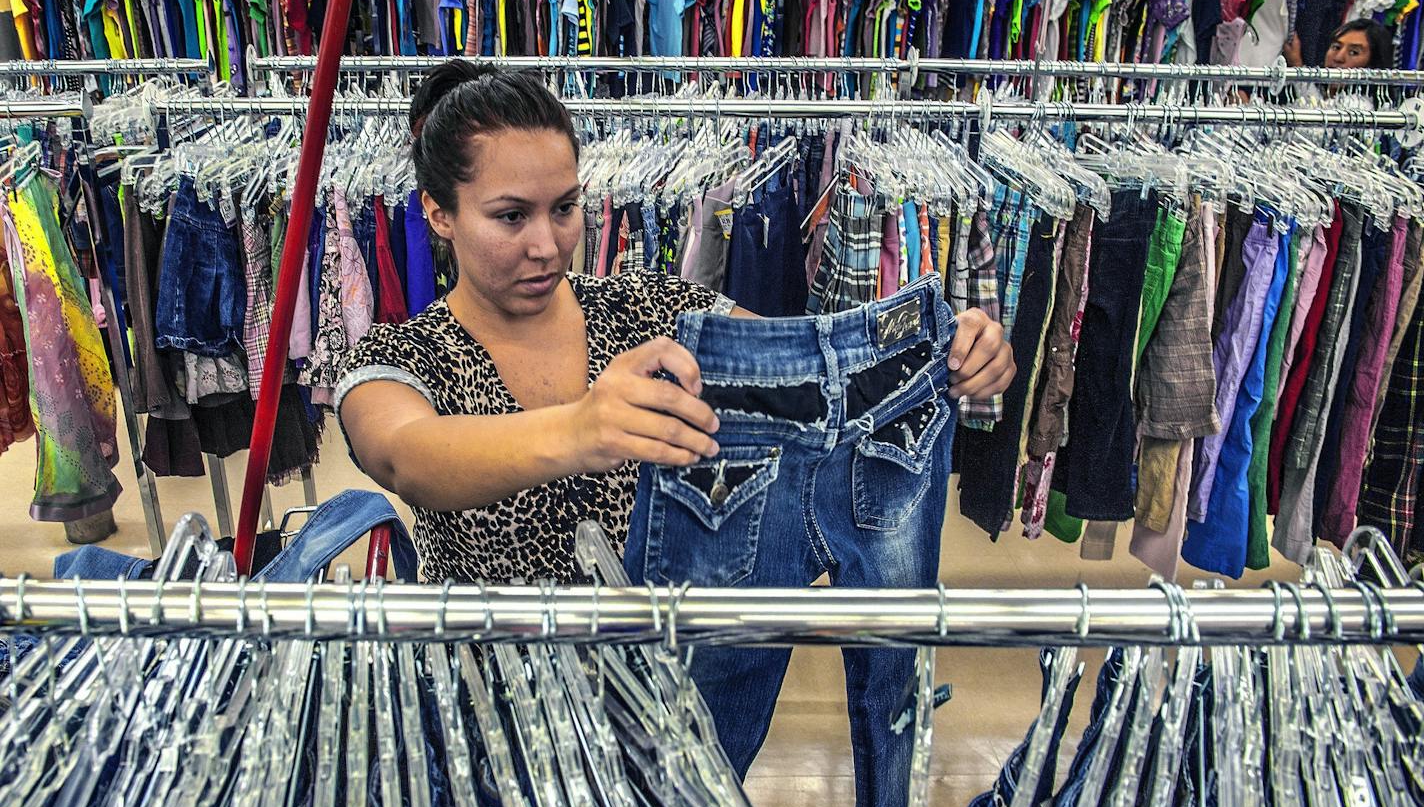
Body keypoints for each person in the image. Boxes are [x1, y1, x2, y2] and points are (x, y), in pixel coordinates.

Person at [337, 60, 1015, 584]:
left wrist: (939, 351)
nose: (548, 244)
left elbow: (806, 362)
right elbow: (405, 454)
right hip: (492, 711)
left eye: (565, 208)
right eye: (512, 216)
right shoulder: (404, 356)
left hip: (663, 704)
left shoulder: (654, 312)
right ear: (438, 212)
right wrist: (580, 428)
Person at [1283, 17, 1394, 70]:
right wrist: (1296, 63)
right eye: (1336, 47)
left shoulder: (1361, 109)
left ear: (1372, 63)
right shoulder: (1321, 95)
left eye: (1353, 52)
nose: (1339, 58)